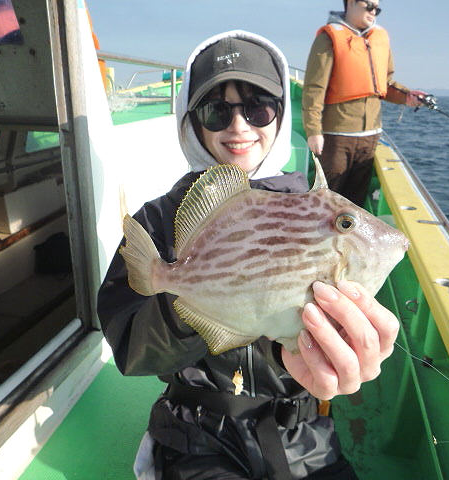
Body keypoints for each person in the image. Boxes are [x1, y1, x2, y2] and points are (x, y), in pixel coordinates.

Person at [97, 30, 400, 480]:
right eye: (216, 111)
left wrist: (340, 350)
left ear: (281, 112)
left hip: (304, 434)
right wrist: (192, 299)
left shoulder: (308, 205)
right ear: (192, 120)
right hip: (196, 433)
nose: (239, 126)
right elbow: (129, 347)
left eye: (259, 107)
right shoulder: (160, 219)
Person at [302, 0, 429, 206]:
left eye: (377, 8)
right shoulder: (328, 38)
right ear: (351, 3)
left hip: (370, 137)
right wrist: (313, 131)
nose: (374, 12)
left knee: (356, 202)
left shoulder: (380, 38)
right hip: (337, 137)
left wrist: (407, 96)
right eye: (369, 6)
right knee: (328, 198)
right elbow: (314, 88)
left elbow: (384, 83)